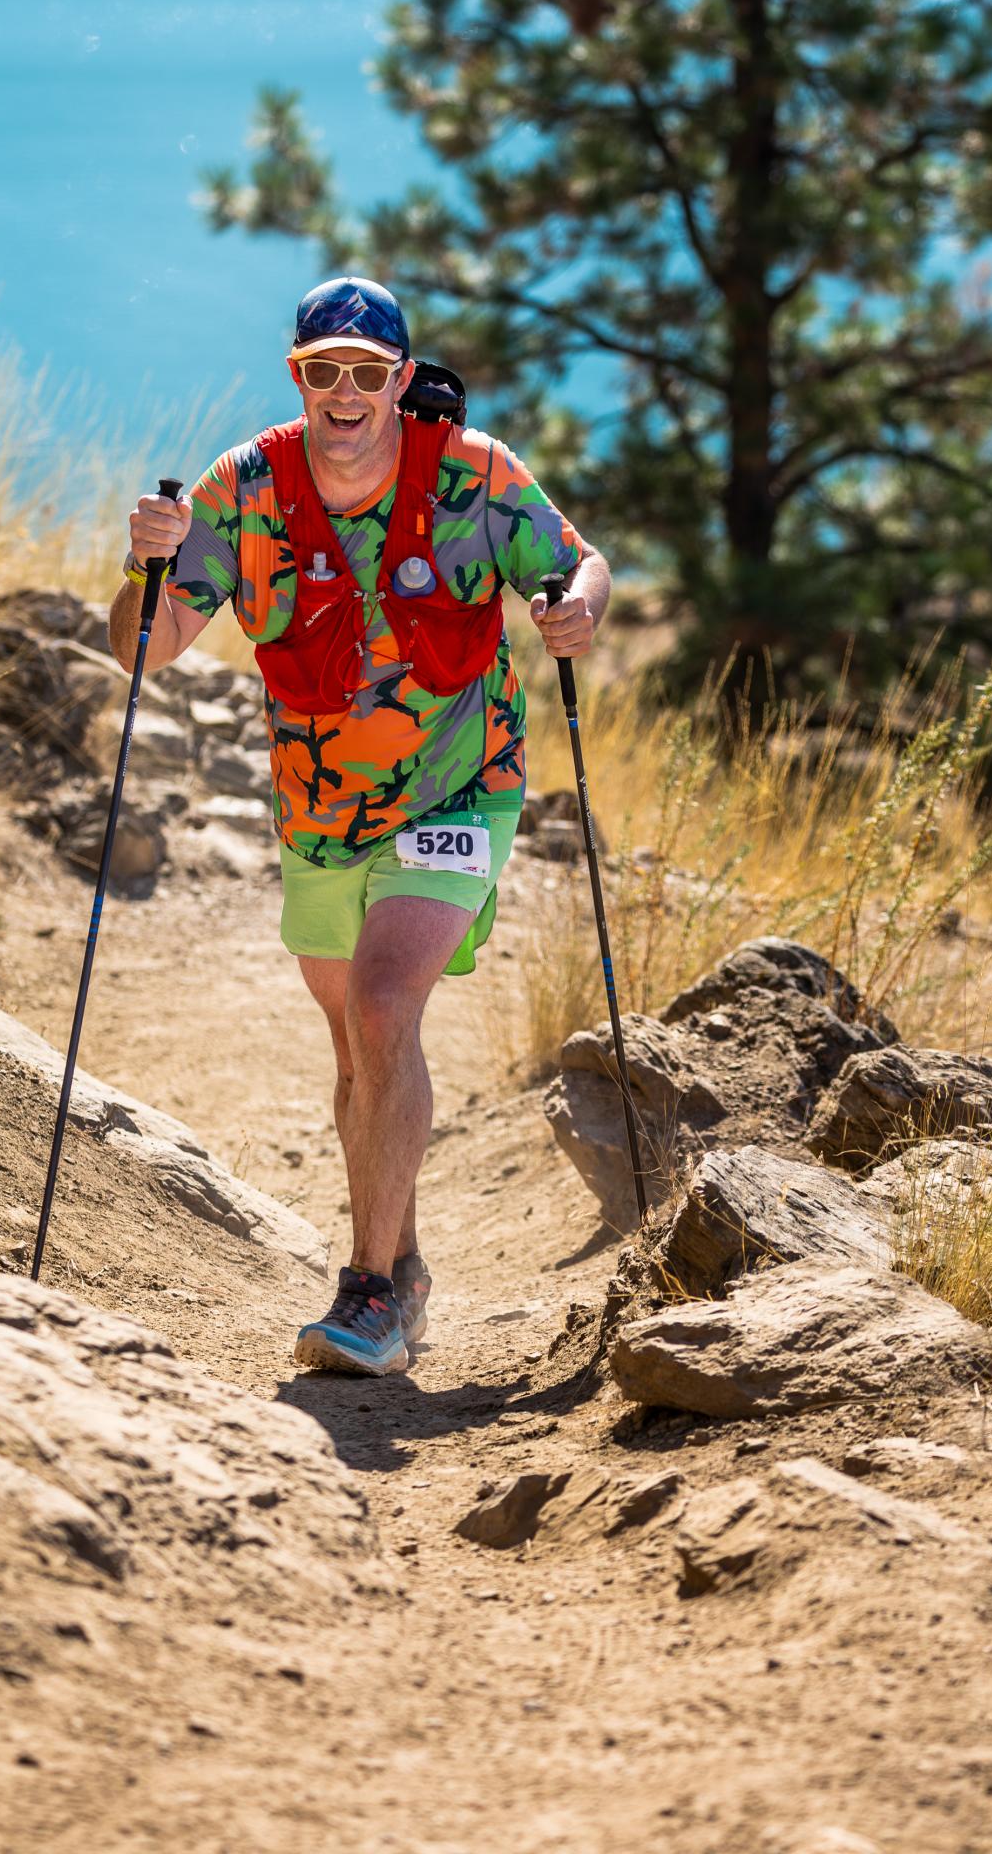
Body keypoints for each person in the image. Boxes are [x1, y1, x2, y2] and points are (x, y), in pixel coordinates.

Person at [110, 274, 609, 1377]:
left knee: (386, 1008)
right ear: (298, 378)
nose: (345, 391)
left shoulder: (476, 475)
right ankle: (410, 1262)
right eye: (321, 370)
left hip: (460, 782)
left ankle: (369, 1291)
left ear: (399, 381)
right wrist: (147, 566)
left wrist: (578, 608)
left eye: (367, 373)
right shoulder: (241, 487)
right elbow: (145, 651)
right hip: (319, 811)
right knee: (357, 1053)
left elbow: (578, 561)